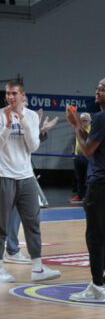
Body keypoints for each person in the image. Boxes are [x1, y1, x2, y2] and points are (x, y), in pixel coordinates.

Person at [67, 77, 105, 303]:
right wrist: (82, 129)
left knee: (94, 235)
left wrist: (75, 126)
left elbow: (87, 151)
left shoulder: (101, 118)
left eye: (101, 90)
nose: (96, 92)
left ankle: (96, 287)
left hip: (101, 181)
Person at [0, 80, 60, 282]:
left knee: (33, 223)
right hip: (4, 176)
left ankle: (37, 269)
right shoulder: (0, 114)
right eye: (8, 94)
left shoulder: (32, 116)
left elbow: (33, 146)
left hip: (26, 177)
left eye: (14, 93)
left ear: (23, 95)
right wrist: (8, 124)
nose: (10, 97)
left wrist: (23, 119)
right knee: (2, 225)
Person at [5, 109, 58, 264]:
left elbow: (29, 145)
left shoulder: (24, 123)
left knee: (19, 216)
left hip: (21, 176)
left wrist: (40, 130)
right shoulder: (6, 122)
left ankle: (13, 250)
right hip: (7, 175)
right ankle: (12, 251)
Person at [69, 113, 91, 204]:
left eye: (85, 120)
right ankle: (79, 195)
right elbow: (75, 141)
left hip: (88, 158)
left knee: (87, 178)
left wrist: (77, 125)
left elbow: (86, 136)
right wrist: (73, 153)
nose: (83, 122)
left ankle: (87, 196)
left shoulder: (91, 129)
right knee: (79, 178)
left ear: (90, 121)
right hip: (78, 157)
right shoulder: (78, 129)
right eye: (81, 120)